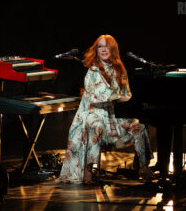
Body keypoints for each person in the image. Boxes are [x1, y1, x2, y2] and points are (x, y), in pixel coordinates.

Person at [56, 34, 154, 184]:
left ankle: (143, 166)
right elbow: (100, 96)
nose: (103, 49)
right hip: (92, 112)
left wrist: (129, 100)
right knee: (96, 125)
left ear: (112, 49)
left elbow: (127, 94)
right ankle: (88, 169)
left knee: (138, 126)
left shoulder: (120, 69)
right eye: (100, 46)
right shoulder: (93, 71)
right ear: (96, 50)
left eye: (106, 46)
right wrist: (121, 97)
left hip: (112, 114)